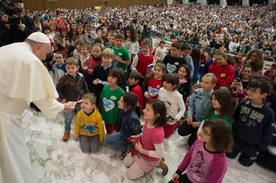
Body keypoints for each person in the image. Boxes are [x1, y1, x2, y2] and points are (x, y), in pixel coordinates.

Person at [0, 32, 74, 183]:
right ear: (38, 47)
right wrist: (62, 107)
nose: (43, 58)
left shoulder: (9, 48)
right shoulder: (30, 60)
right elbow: (43, 99)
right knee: (15, 160)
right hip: (5, 117)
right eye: (45, 54)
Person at [227, 78, 275, 167]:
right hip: (236, 139)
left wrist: (258, 150)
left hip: (252, 145)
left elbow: (268, 134)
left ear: (263, 94)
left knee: (245, 164)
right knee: (229, 156)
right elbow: (234, 119)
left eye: (254, 91)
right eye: (249, 89)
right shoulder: (243, 104)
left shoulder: (269, 113)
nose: (249, 92)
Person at [168, 119, 233, 183]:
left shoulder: (220, 162)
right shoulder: (199, 142)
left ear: (217, 138)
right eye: (203, 129)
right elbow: (188, 156)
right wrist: (178, 171)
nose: (201, 133)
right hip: (188, 177)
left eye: (205, 132)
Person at [123, 100, 168, 179]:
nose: (143, 110)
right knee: (125, 162)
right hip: (142, 150)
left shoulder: (158, 133)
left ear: (157, 115)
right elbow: (146, 132)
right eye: (145, 108)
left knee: (130, 175)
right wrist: (139, 136)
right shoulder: (148, 120)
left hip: (148, 157)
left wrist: (141, 150)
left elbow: (160, 153)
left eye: (148, 110)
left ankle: (158, 164)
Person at [178, 73, 217, 147]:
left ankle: (195, 133)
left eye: (207, 83)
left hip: (204, 122)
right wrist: (189, 115)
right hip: (194, 118)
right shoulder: (197, 92)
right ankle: (193, 130)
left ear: (213, 85)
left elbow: (211, 116)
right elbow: (191, 105)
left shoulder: (214, 98)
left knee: (191, 143)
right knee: (181, 131)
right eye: (202, 81)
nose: (203, 84)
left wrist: (199, 124)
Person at [56, 57, 90, 141]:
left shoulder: (81, 76)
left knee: (81, 116)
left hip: (80, 101)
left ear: (77, 67)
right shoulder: (64, 78)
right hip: (69, 101)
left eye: (72, 68)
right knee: (68, 118)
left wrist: (87, 96)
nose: (70, 70)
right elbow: (58, 88)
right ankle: (67, 131)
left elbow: (84, 86)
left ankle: (80, 130)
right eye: (68, 68)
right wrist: (62, 98)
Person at [105, 92, 142, 159]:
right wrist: (116, 129)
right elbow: (120, 123)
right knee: (107, 140)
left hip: (128, 137)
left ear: (129, 106)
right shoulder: (122, 110)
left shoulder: (132, 118)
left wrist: (133, 142)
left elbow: (138, 133)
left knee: (108, 140)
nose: (118, 102)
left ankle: (127, 147)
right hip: (123, 132)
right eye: (119, 100)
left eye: (121, 101)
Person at [158, 73, 186, 138]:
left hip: (171, 119)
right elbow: (158, 101)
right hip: (161, 116)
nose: (164, 83)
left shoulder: (178, 96)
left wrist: (176, 118)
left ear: (174, 86)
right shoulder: (161, 90)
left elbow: (183, 109)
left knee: (165, 136)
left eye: (168, 82)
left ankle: (175, 125)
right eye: (164, 81)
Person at [100, 68, 125, 134]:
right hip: (106, 114)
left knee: (113, 132)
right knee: (107, 127)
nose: (110, 79)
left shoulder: (121, 92)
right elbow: (101, 99)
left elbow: (122, 108)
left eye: (113, 77)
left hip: (114, 117)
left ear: (119, 79)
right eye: (109, 76)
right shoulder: (105, 87)